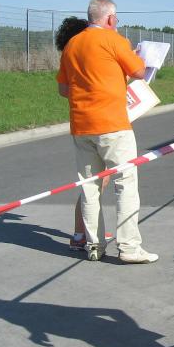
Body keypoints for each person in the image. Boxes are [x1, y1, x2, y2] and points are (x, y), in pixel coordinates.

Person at [56, 0, 157, 264]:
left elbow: (63, 89)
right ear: (110, 19)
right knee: (125, 184)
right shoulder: (114, 40)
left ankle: (93, 245)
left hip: (81, 126)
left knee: (89, 188)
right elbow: (139, 71)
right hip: (113, 125)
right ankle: (129, 247)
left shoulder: (72, 44)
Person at [55, 17, 113, 251]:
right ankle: (83, 234)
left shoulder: (72, 56)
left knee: (93, 183)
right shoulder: (85, 56)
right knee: (95, 183)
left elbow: (63, 89)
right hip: (97, 124)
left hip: (82, 123)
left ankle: (85, 232)